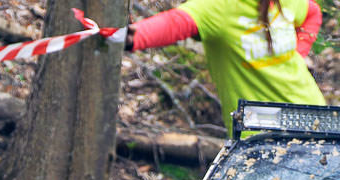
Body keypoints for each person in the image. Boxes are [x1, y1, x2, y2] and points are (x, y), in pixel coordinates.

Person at [123, 0, 326, 134]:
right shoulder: (218, 7)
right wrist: (122, 36)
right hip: (257, 133)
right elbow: (174, 23)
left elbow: (312, 13)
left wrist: (299, 53)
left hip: (313, 116)